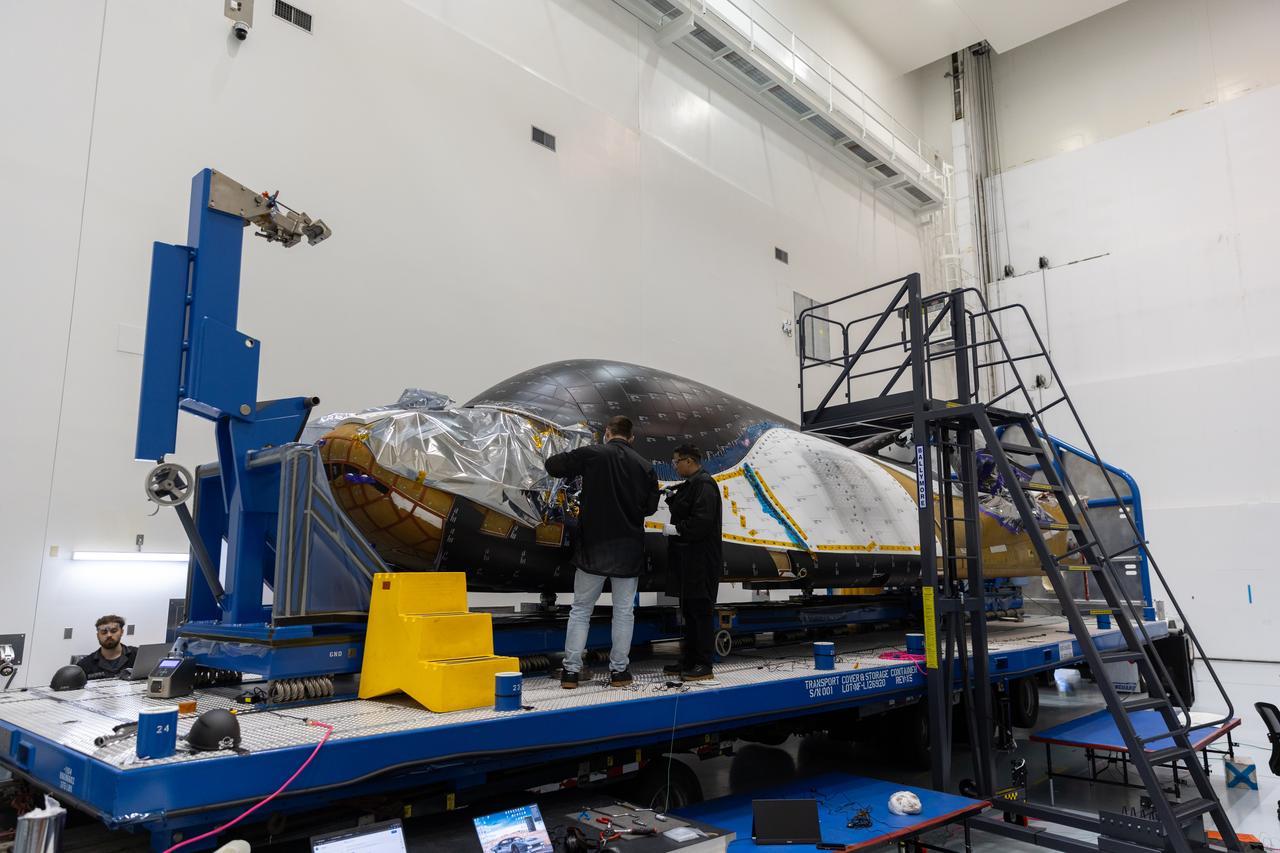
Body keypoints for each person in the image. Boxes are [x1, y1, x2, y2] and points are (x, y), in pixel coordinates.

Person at [546, 415, 659, 689]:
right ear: (631, 437)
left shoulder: (593, 454)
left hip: (592, 548)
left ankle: (571, 673)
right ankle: (619, 673)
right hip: (628, 549)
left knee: (581, 610)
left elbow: (553, 466)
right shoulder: (645, 466)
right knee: (623, 613)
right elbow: (650, 508)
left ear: (607, 433)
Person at [662, 444, 723, 681]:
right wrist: (672, 500)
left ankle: (703, 665)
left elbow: (702, 522)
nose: (674, 466)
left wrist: (676, 529)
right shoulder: (692, 484)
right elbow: (688, 509)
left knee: (701, 613)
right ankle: (689, 660)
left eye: (676, 462)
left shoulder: (705, 484)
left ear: (689, 461)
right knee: (689, 613)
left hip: (701, 561)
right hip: (688, 561)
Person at [76, 614, 137, 680]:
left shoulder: (138, 656)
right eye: (103, 632)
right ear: (98, 635)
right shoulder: (84, 665)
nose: (109, 635)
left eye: (113, 631)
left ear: (121, 632)